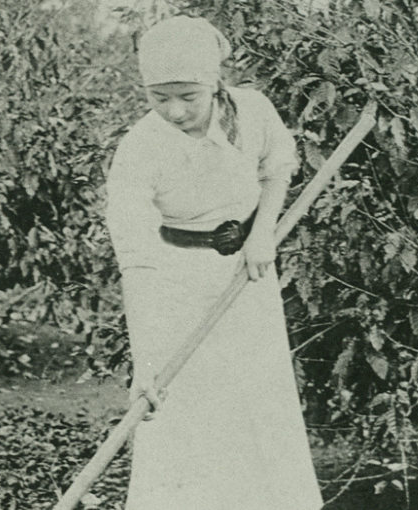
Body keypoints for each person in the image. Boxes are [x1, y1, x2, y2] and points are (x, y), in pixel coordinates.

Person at [105, 16, 323, 509]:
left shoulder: (251, 111)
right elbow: (136, 261)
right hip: (175, 281)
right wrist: (146, 362)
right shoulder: (140, 148)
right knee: (182, 411)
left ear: (213, 83)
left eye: (188, 95)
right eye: (159, 98)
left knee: (256, 401)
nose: (174, 111)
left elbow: (278, 166)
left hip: (248, 275)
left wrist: (263, 230)